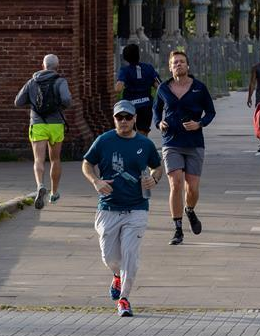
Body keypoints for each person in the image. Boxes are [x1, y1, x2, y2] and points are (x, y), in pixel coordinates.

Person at [82, 100, 162, 317]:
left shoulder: (145, 144)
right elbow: (87, 163)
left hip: (137, 208)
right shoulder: (104, 140)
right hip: (108, 207)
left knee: (130, 254)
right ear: (114, 118)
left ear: (135, 118)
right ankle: (116, 275)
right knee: (109, 257)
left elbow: (157, 166)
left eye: (128, 117)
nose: (124, 121)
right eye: (120, 117)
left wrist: (154, 179)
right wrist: (96, 181)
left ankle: (124, 299)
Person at [153, 50, 216, 245]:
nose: (178, 65)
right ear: (170, 67)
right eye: (175, 62)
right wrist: (158, 123)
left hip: (194, 142)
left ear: (188, 66)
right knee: (176, 183)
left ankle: (190, 210)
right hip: (171, 142)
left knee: (193, 189)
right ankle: (178, 228)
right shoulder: (163, 88)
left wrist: (200, 124)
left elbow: (211, 112)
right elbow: (156, 111)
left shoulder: (199, 87)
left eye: (181, 62)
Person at [14, 53, 72, 209]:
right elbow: (67, 100)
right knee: (55, 159)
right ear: (57, 66)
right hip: (56, 124)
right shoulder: (60, 81)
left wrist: (32, 102)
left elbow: (18, 102)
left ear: (43, 66)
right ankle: (54, 193)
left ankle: (40, 185)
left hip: (38, 123)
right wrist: (59, 106)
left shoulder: (32, 82)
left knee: (38, 160)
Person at [115, 44, 161, 137]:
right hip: (146, 105)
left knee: (129, 133)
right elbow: (159, 86)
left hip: (130, 107)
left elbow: (119, 88)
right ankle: (142, 150)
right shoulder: (148, 68)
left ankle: (132, 150)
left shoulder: (125, 70)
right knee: (143, 133)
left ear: (125, 57)